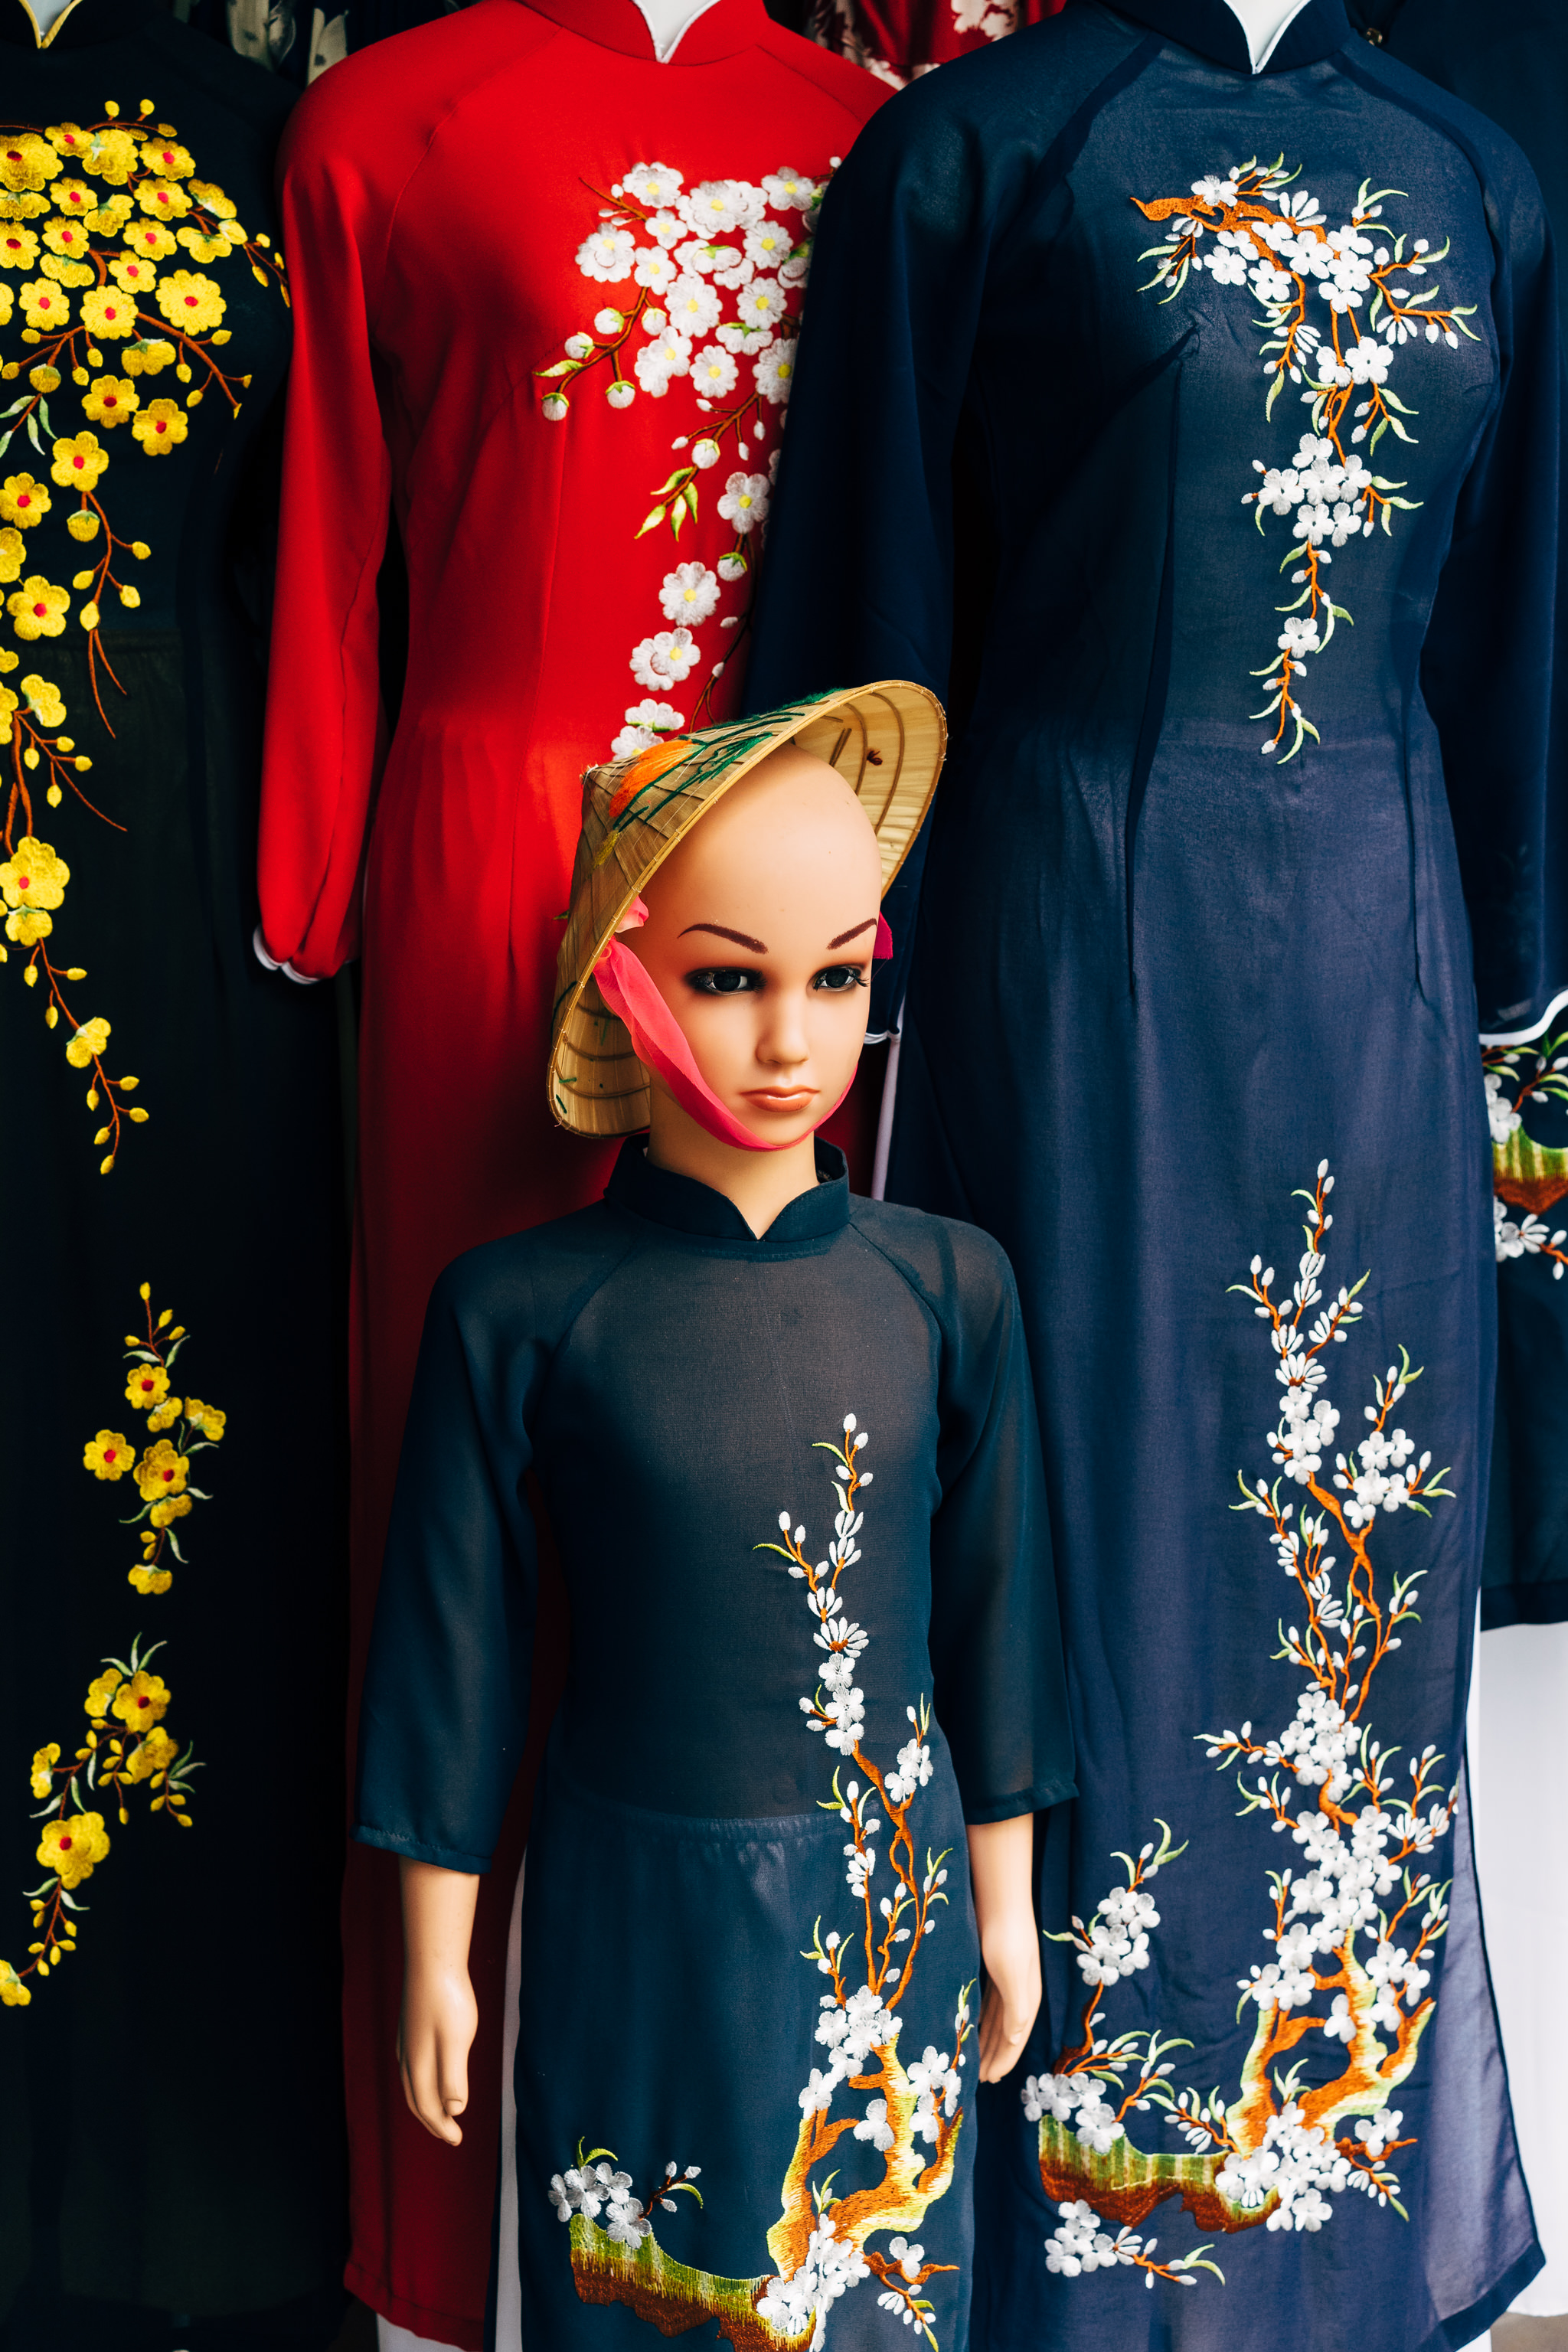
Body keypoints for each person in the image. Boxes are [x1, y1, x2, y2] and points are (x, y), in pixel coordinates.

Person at [352, 683, 1074, 2347]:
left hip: (888, 1914)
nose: (788, 1040)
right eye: (728, 978)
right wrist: (435, 1951)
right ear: (623, 977)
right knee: (646, 2301)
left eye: (834, 977)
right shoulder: (523, 1310)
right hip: (631, 1916)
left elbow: (993, 1615)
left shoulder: (948, 1288)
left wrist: (1004, 1899)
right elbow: (452, 1655)